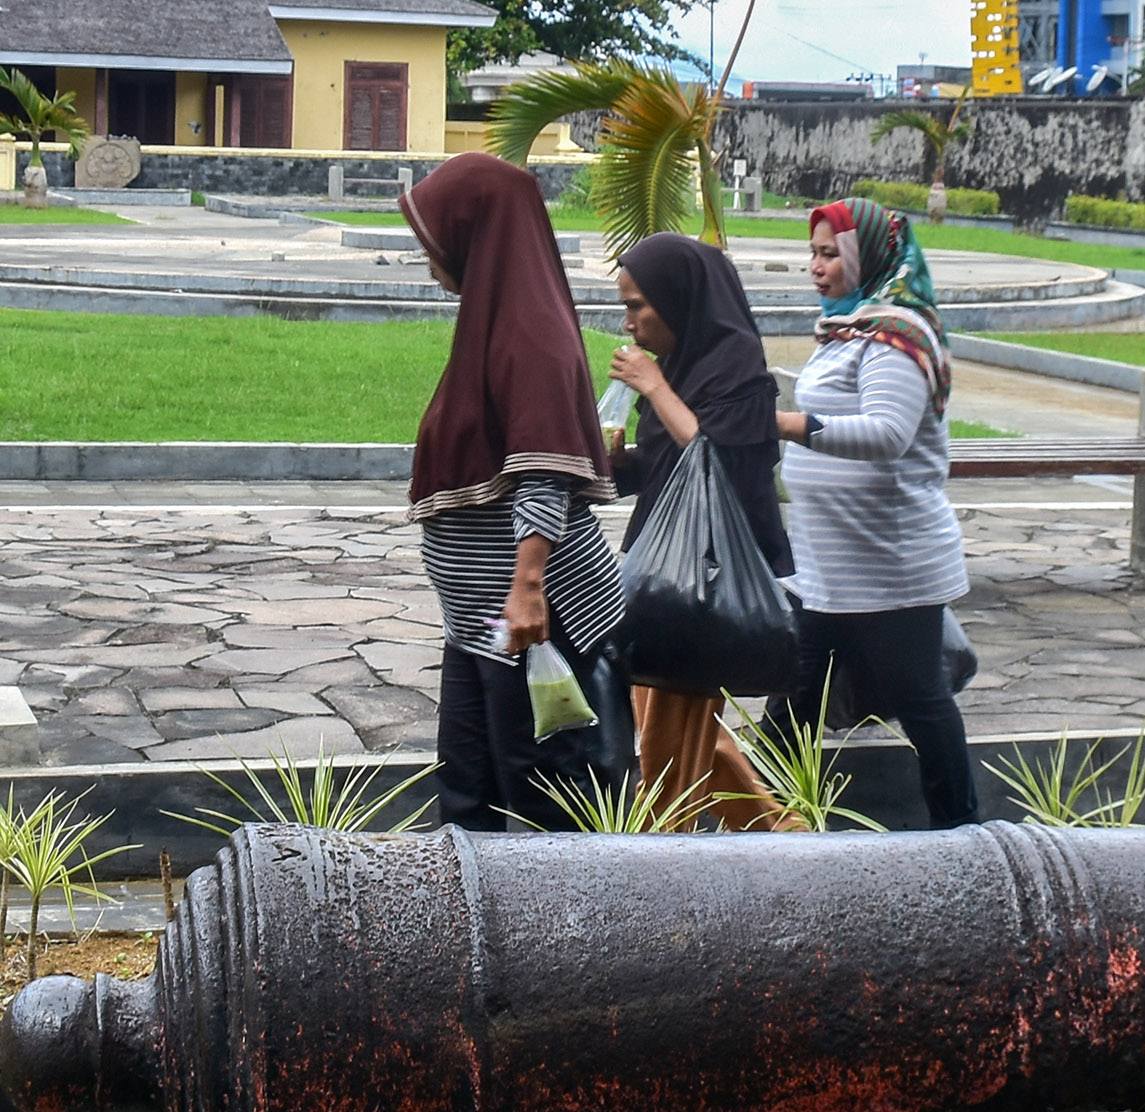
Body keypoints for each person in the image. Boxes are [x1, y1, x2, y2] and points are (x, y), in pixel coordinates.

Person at [398, 152, 622, 828]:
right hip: (480, 623)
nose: (427, 252)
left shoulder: (533, 334)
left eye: (433, 235)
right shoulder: (493, 323)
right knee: (468, 796)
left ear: (473, 232)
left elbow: (543, 468)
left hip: (530, 617)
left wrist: (528, 585)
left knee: (540, 803)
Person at [764, 197, 978, 826]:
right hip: (824, 567)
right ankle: (767, 832)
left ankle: (963, 833)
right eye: (814, 252)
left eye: (831, 253)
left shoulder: (897, 335)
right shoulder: (845, 329)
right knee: (793, 704)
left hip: (891, 568)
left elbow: (887, 433)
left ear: (868, 256)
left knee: (921, 703)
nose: (817, 266)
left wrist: (784, 424)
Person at [604, 230, 791, 824]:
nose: (629, 322)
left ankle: (661, 852)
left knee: (671, 733)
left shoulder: (738, 374)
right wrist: (621, 466)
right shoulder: (681, 367)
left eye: (637, 305)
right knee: (681, 727)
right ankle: (782, 833)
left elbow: (719, 461)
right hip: (665, 573)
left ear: (679, 298)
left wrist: (655, 389)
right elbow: (671, 467)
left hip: (706, 581)